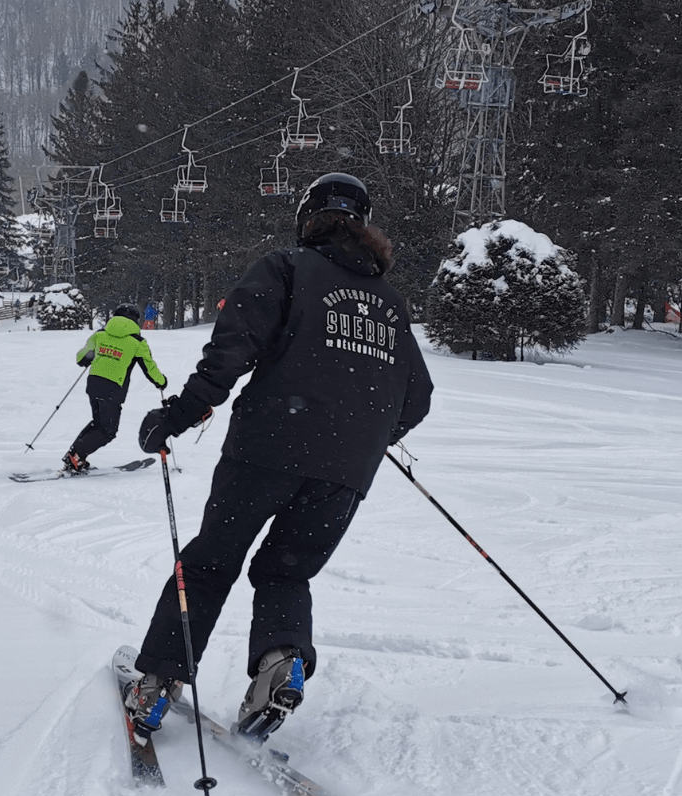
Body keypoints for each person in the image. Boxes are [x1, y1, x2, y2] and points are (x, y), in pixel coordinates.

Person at [124, 173, 433, 741]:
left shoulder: (286, 268)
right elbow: (417, 397)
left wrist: (174, 418)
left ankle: (157, 681)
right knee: (286, 572)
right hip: (346, 471)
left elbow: (229, 355)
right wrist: (366, 433)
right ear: (363, 225)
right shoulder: (390, 304)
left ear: (307, 218)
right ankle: (281, 661)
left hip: (268, 446)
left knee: (212, 561)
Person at [63, 304, 167, 474]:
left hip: (93, 384)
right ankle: (76, 456)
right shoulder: (137, 342)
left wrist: (99, 353)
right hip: (112, 389)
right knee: (107, 431)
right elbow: (150, 368)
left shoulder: (100, 335)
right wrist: (161, 382)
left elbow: (81, 358)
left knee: (99, 424)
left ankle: (75, 456)